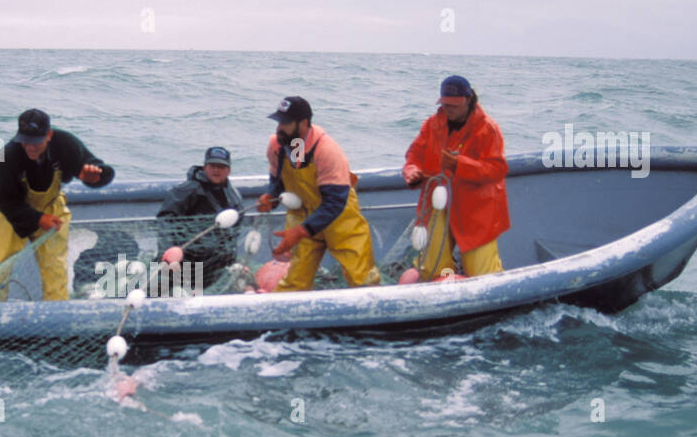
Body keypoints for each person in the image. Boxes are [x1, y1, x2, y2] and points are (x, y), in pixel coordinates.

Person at [0, 108, 114, 300]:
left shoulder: (66, 143)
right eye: (25, 141)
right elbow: (4, 200)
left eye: (36, 142)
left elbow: (99, 167)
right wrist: (37, 219)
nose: (30, 147)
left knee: (55, 272)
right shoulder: (4, 154)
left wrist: (94, 176)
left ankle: (56, 322)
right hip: (8, 211)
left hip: (50, 207)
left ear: (49, 135)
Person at [256, 96, 379, 291]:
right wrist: (269, 197)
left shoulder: (327, 151)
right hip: (303, 214)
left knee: (362, 280)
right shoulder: (277, 145)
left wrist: (300, 231)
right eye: (279, 122)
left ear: (303, 124)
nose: (279, 128)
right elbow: (278, 183)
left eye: (285, 123)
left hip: (341, 220)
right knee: (294, 283)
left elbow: (334, 203)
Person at [401, 76, 510, 280]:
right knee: (430, 268)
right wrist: (412, 171)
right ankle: (444, 287)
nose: (448, 109)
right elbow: (414, 155)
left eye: (454, 105)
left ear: (469, 100)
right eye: (444, 104)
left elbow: (497, 169)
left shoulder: (488, 129)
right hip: (437, 203)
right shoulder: (432, 125)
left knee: (483, 274)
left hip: (477, 209)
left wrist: (460, 165)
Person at [156, 146, 244, 289]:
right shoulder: (186, 190)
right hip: (182, 258)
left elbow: (233, 234)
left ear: (229, 171)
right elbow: (165, 220)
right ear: (204, 167)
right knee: (160, 290)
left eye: (221, 167)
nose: (216, 170)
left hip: (213, 262)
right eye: (212, 166)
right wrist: (167, 252)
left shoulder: (234, 197)